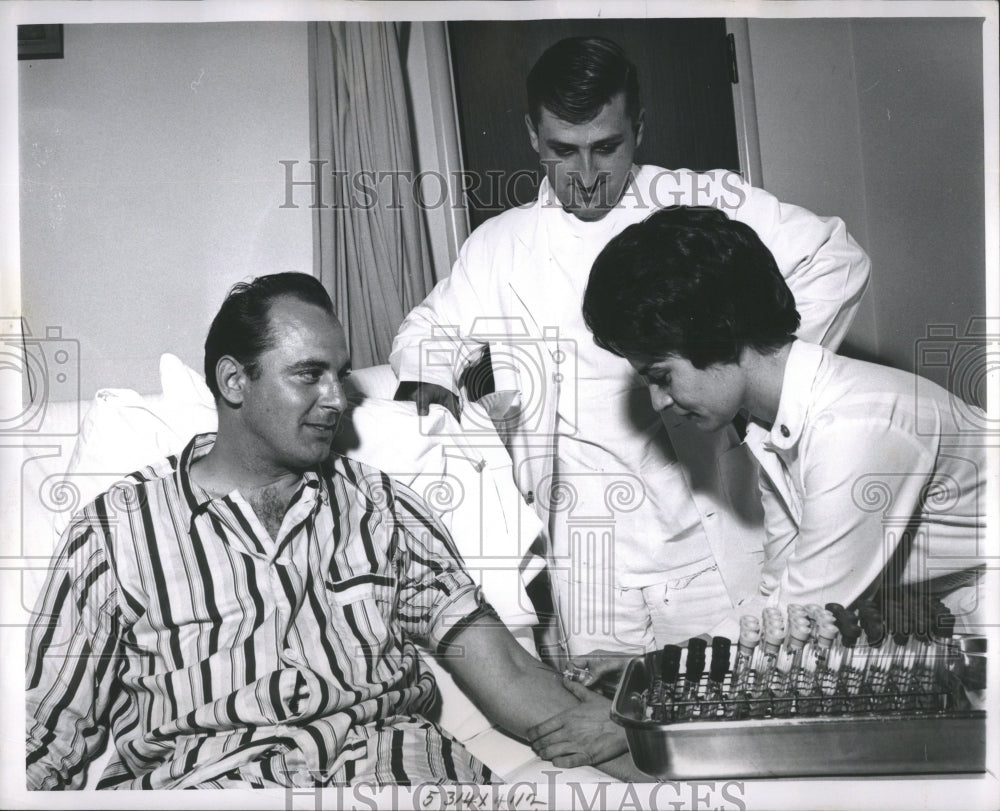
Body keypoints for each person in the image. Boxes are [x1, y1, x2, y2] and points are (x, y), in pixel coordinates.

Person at [25, 272, 641, 789]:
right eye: (308, 375)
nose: (336, 399)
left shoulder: (383, 510)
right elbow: (47, 735)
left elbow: (504, 671)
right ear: (234, 380)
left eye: (339, 375)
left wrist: (639, 737)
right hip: (209, 784)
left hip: (399, 778)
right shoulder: (114, 535)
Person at [390, 36, 871, 680]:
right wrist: (444, 395)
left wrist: (746, 362)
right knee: (614, 744)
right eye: (563, 150)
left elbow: (836, 260)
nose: (586, 175)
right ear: (533, 136)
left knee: (731, 710)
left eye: (606, 147)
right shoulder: (498, 248)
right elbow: (425, 332)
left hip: (703, 543)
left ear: (638, 129)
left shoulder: (702, 201)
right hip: (590, 564)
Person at [581, 205, 986, 627]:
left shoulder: (855, 428)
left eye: (662, 376)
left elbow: (804, 620)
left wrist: (660, 673)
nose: (659, 402)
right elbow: (775, 598)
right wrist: (656, 664)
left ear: (718, 334)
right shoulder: (770, 427)